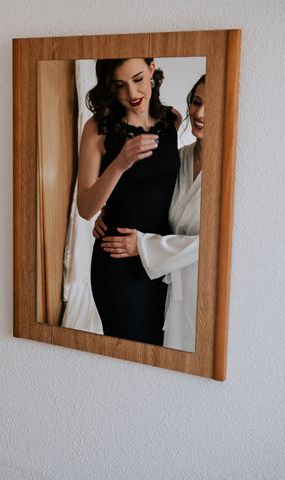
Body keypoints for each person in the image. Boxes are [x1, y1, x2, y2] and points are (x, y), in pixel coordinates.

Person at [76, 58, 181, 345]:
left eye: (137, 79)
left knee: (164, 349)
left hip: (162, 258)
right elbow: (85, 208)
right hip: (118, 265)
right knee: (129, 352)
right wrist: (120, 163)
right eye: (119, 85)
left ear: (151, 68)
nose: (131, 93)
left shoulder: (172, 120)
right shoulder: (98, 128)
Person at [98, 75, 206, 352]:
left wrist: (144, 246)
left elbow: (217, 243)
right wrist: (109, 211)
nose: (200, 113)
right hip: (158, 281)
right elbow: (148, 192)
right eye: (196, 102)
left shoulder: (234, 172)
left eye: (212, 106)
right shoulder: (180, 159)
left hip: (200, 289)